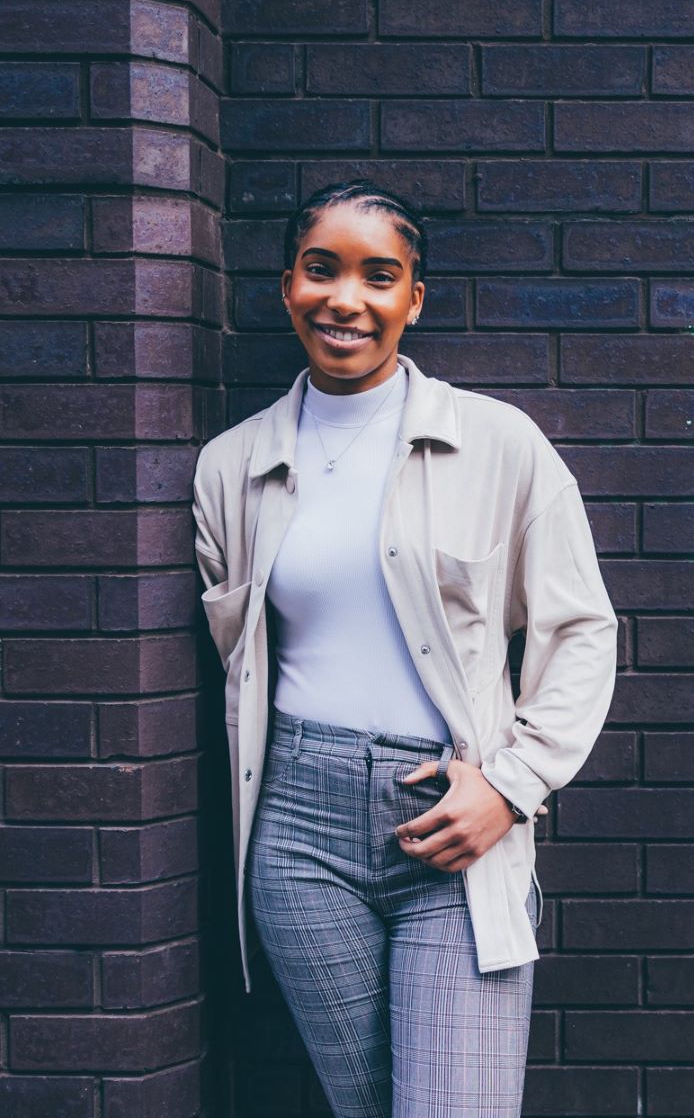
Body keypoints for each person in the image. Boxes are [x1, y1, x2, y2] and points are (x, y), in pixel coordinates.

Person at [191, 179, 619, 1117]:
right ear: (287, 287)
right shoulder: (230, 467)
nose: (347, 299)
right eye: (322, 270)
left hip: (452, 816)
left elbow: (581, 629)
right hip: (298, 833)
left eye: (378, 277)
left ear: (412, 300)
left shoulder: (499, 443)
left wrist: (512, 787)